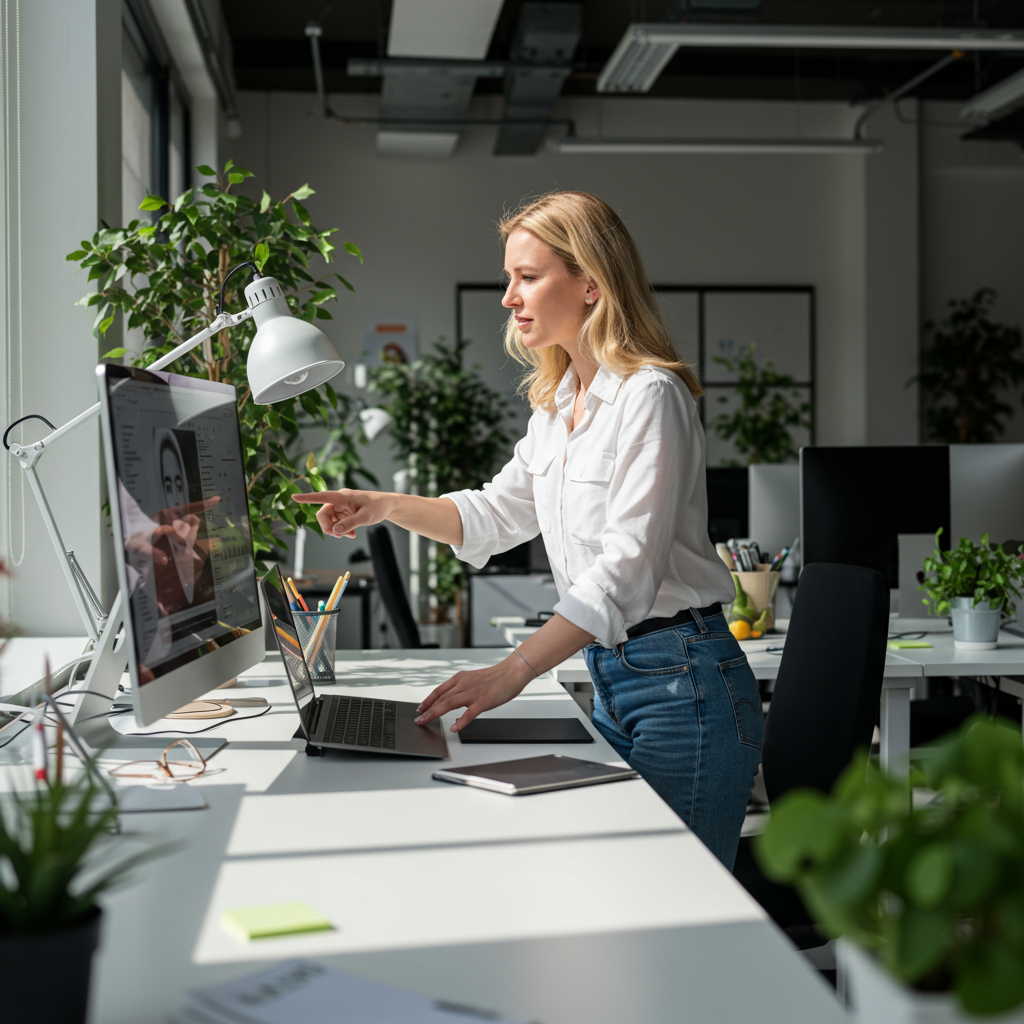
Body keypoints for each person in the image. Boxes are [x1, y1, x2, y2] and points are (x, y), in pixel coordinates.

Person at [294, 191, 763, 868]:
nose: (510, 297)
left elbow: (625, 569)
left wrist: (513, 671)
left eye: (528, 276)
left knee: (673, 899)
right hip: (614, 679)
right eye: (509, 278)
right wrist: (384, 504)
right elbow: (490, 515)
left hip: (683, 684)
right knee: (621, 884)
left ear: (592, 283)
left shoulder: (649, 396)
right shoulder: (558, 408)